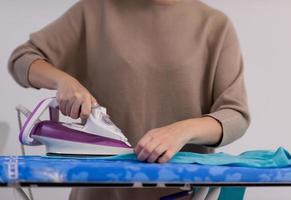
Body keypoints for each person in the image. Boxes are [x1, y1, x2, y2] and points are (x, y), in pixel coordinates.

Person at [8, 0, 250, 199]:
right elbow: (22, 59)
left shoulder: (215, 26)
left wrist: (182, 131)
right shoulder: (96, 10)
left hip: (181, 194)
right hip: (98, 195)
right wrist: (63, 82)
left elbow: (235, 114)